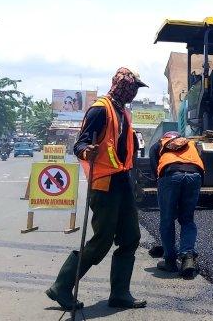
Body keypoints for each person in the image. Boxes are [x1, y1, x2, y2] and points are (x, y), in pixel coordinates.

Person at [46, 67, 148, 310]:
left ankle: (120, 294)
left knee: (131, 237)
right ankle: (61, 286)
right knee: (102, 240)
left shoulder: (123, 111)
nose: (134, 93)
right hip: (105, 184)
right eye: (133, 88)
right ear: (124, 86)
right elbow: (80, 143)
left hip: (123, 181)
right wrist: (85, 150)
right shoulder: (100, 109)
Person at [149, 131, 204, 278]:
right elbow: (199, 160)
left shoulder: (158, 144)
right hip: (194, 175)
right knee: (187, 219)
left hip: (171, 175)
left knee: (167, 220)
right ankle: (187, 258)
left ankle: (170, 261)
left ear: (165, 137)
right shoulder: (190, 143)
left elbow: (156, 171)